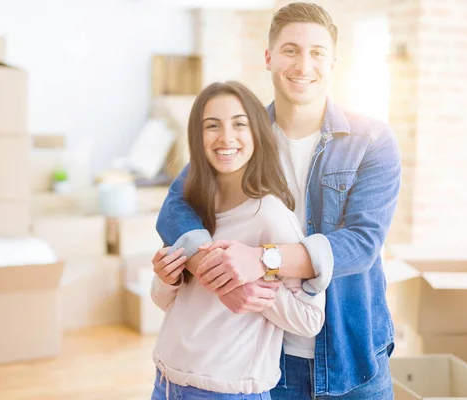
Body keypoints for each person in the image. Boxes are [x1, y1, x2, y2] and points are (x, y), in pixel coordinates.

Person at [153, 2, 402, 399]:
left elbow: (361, 244)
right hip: (268, 354)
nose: (303, 65)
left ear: (333, 62)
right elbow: (175, 207)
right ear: (269, 58)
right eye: (290, 50)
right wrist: (211, 270)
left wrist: (262, 259)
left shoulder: (370, 141)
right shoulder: (242, 136)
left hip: (351, 354)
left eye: (317, 52)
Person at [149, 81, 332, 400]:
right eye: (212, 126)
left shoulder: (270, 215)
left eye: (239, 124)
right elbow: (165, 302)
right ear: (197, 136)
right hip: (165, 382)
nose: (226, 137)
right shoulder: (191, 209)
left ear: (257, 134)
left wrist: (256, 280)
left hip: (228, 393)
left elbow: (310, 319)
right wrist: (166, 279)